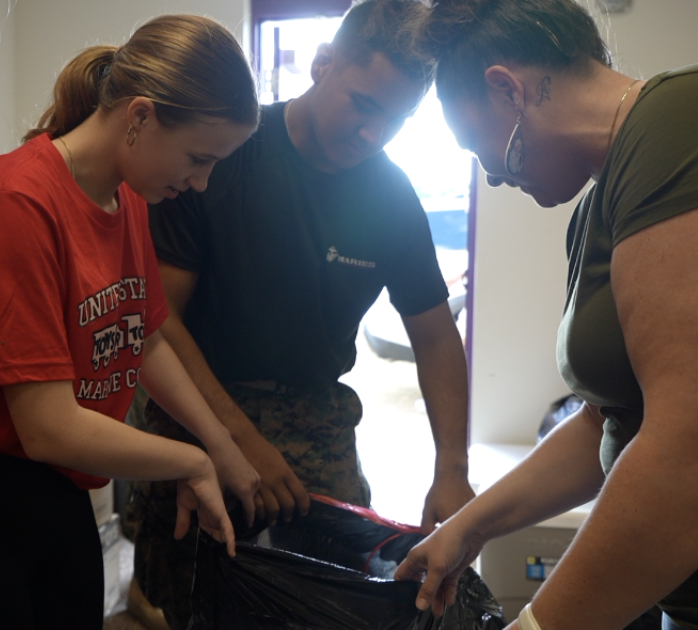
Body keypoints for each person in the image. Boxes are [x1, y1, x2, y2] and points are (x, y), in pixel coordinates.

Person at [394, 1, 698, 629]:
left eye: (475, 146)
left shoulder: (695, 120)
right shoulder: (602, 205)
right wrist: (469, 526)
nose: (492, 177)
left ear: (505, 88)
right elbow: (611, 419)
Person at [0, 14, 262, 630]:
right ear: (140, 117)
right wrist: (190, 461)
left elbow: (141, 338)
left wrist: (220, 444)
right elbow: (48, 428)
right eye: (199, 157)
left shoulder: (129, 198)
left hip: (60, 502)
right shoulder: (16, 203)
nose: (200, 182)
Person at [129, 1, 477, 627]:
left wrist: (451, 470)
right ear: (322, 65)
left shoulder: (391, 197)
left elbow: (435, 334)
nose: (372, 134)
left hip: (318, 428)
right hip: (199, 412)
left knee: (325, 607)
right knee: (191, 603)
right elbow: (159, 320)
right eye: (364, 105)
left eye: (395, 120)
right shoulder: (222, 153)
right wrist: (238, 438)